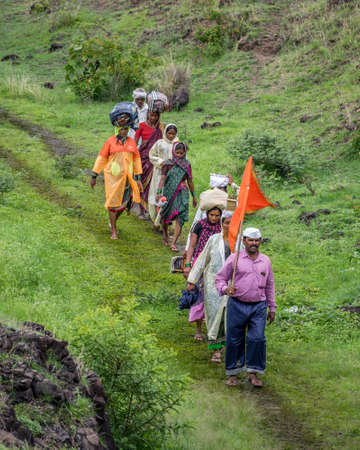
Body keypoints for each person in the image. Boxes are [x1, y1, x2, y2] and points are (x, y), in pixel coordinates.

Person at [215, 227, 276, 388]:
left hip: (259, 306)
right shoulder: (235, 259)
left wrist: (272, 307)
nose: (254, 243)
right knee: (234, 339)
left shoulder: (265, 261)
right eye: (250, 240)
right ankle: (232, 373)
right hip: (237, 304)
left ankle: (253, 373)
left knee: (257, 338)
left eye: (257, 240)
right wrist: (225, 289)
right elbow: (220, 278)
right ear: (244, 241)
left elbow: (270, 285)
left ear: (260, 242)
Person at [186, 211, 233, 362]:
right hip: (213, 283)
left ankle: (224, 342)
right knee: (213, 315)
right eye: (226, 222)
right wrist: (192, 280)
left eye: (232, 223)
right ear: (222, 224)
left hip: (232, 285)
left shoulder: (240, 243)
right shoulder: (213, 240)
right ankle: (216, 350)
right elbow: (202, 260)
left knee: (228, 316)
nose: (229, 226)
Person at [90, 118, 143, 240]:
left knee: (125, 203)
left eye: (125, 129)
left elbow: (136, 160)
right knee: (113, 203)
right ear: (117, 129)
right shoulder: (110, 142)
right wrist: (94, 175)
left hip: (128, 178)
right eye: (121, 129)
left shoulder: (131, 143)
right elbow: (102, 158)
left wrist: (138, 177)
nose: (123, 131)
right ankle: (113, 230)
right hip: (113, 178)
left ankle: (112, 221)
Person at [184, 206, 223, 341]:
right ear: (207, 214)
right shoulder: (199, 225)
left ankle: (213, 328)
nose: (214, 218)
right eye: (212, 215)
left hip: (215, 265)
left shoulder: (222, 228)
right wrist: (188, 265)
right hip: (199, 263)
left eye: (217, 215)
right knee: (198, 296)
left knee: (213, 296)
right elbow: (192, 246)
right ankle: (199, 329)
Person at [156, 143, 197, 251]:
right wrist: (159, 192)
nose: (179, 155)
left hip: (182, 193)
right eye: (177, 153)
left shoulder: (187, 164)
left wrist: (194, 196)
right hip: (169, 192)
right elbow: (163, 179)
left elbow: (190, 181)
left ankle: (173, 243)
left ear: (185, 153)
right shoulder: (168, 164)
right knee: (165, 215)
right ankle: (165, 233)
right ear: (173, 152)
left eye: (181, 153)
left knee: (180, 215)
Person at [185, 173, 239, 253]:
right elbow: (195, 224)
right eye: (216, 190)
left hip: (221, 244)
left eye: (220, 190)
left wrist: (233, 185)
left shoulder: (229, 203)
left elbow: (244, 199)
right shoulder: (206, 203)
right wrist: (187, 247)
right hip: (203, 244)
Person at [135, 111, 165, 218]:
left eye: (156, 116)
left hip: (155, 160)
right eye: (152, 115)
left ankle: (150, 210)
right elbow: (136, 141)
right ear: (148, 115)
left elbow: (165, 141)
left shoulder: (161, 127)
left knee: (152, 185)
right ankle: (141, 210)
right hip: (144, 158)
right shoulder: (142, 125)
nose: (153, 118)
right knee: (142, 184)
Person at [148, 124, 178, 224]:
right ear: (165, 132)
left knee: (168, 195)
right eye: (169, 133)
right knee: (157, 193)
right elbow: (152, 155)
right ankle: (155, 218)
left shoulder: (177, 144)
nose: (171, 136)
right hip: (159, 172)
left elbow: (182, 158)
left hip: (172, 174)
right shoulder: (160, 143)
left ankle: (164, 220)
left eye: (173, 134)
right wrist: (162, 162)